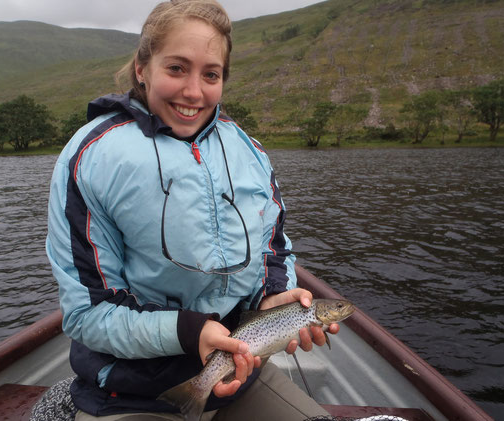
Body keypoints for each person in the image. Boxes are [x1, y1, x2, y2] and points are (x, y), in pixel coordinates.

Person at [46, 1, 340, 420]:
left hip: (240, 378)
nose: (193, 92)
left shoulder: (249, 153)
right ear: (142, 68)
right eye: (177, 68)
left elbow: (273, 250)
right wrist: (190, 332)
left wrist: (274, 294)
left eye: (211, 75)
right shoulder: (90, 157)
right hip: (132, 392)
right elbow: (86, 313)